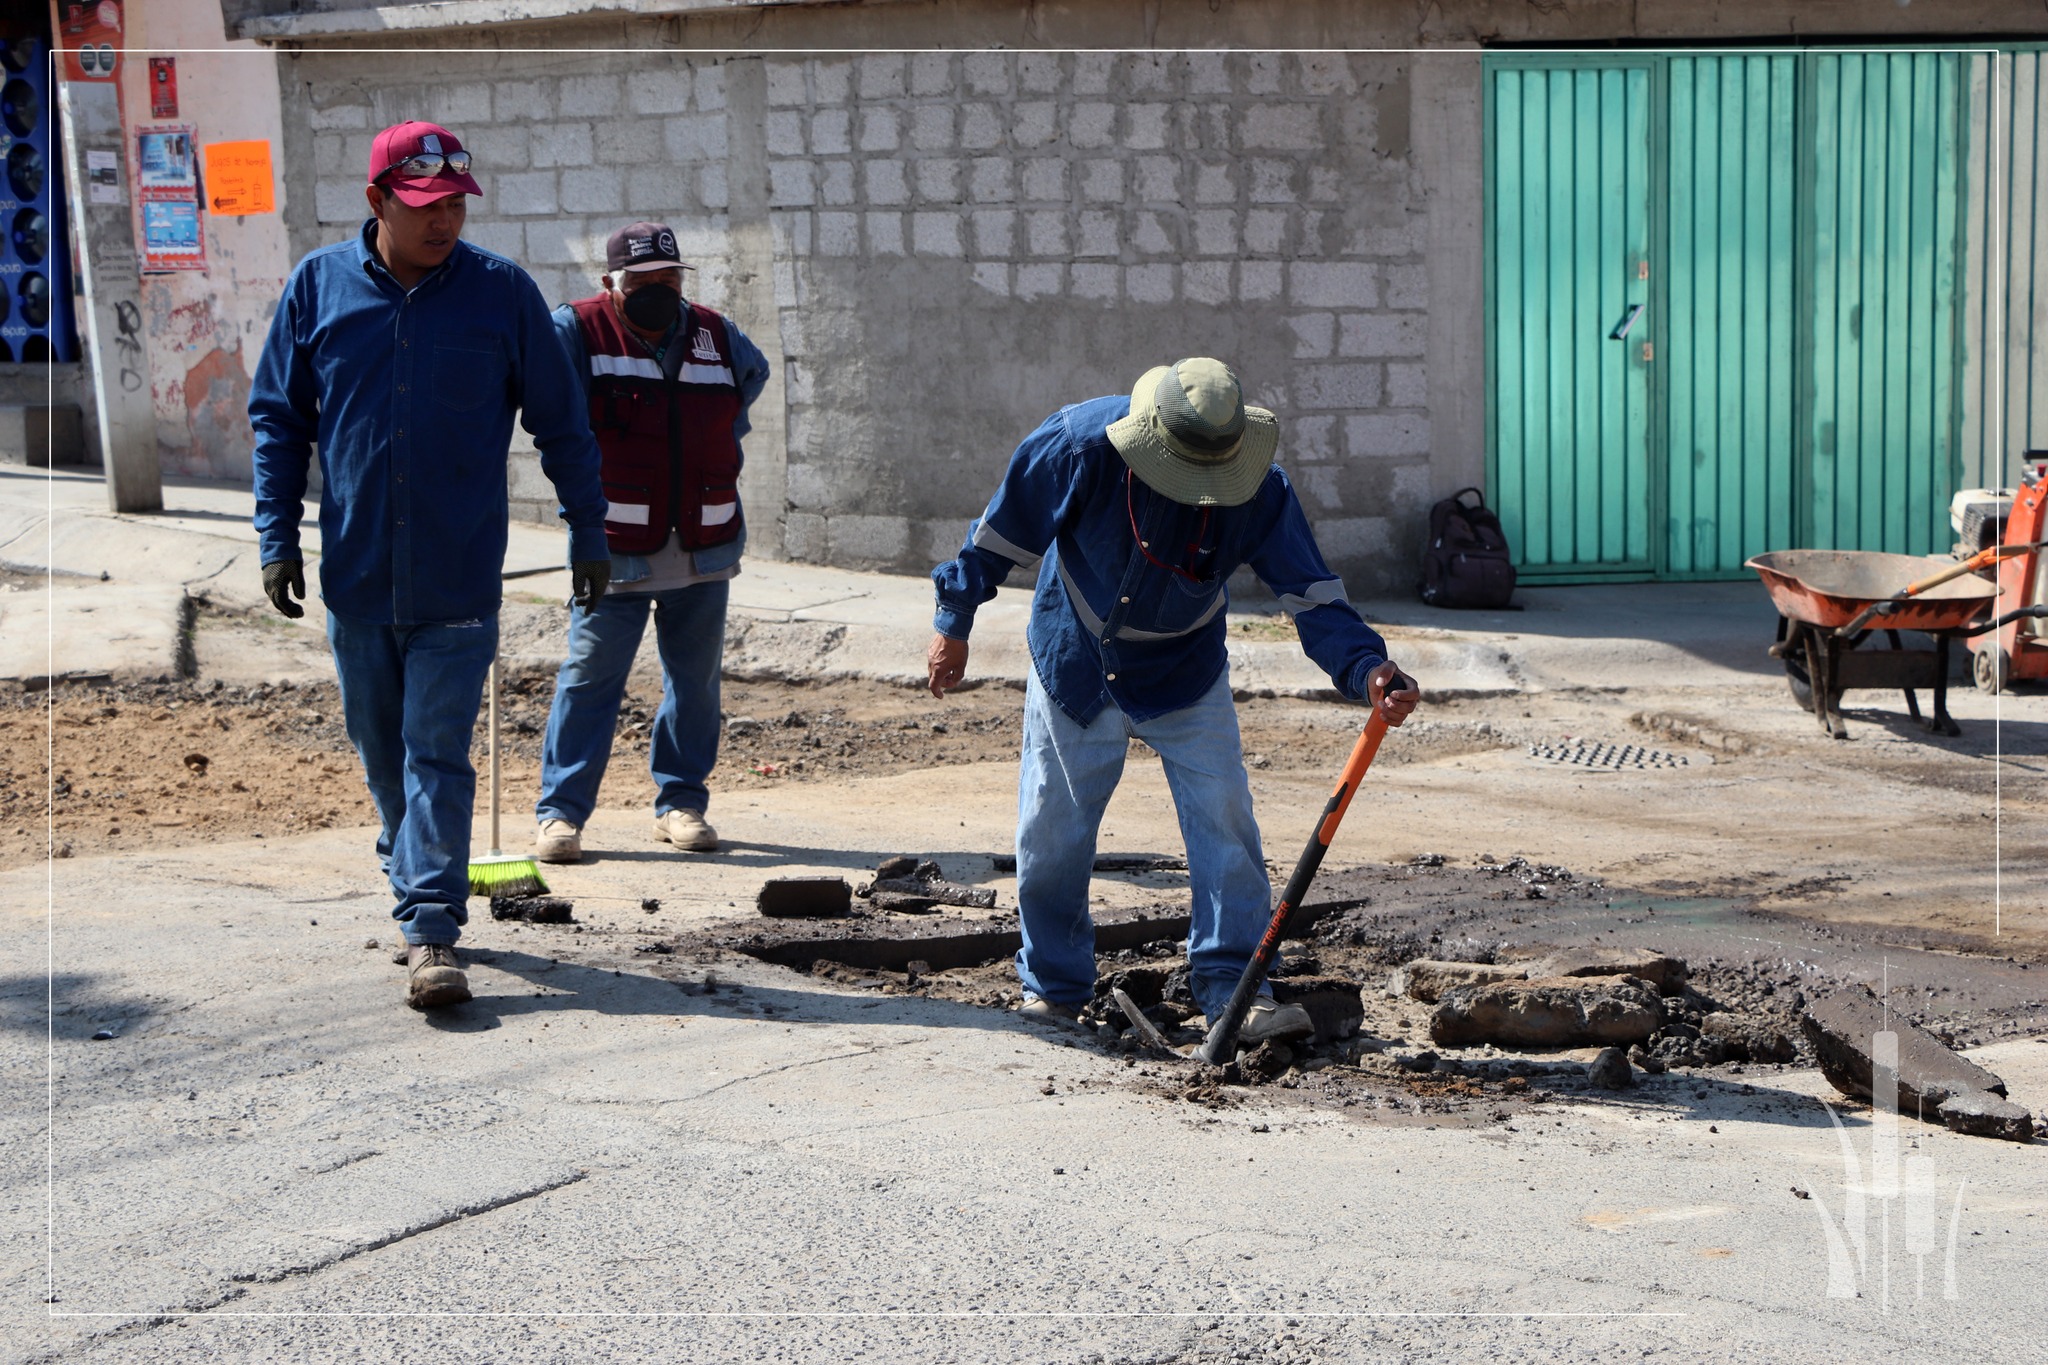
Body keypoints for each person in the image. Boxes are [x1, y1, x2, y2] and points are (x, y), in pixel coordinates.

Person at [927, 358, 1420, 1046]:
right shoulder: (1075, 447)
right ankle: (1055, 987)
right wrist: (954, 623)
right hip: (1077, 660)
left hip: (1184, 672)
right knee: (1050, 836)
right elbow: (996, 536)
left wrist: (1367, 667)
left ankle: (1234, 989)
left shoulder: (1259, 490)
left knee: (1226, 826)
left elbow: (1312, 595)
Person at [249, 120, 611, 1011]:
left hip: (457, 579)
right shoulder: (317, 289)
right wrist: (275, 535)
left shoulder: (502, 295)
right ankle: (414, 867)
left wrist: (588, 531)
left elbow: (562, 424)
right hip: (360, 581)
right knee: (384, 759)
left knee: (435, 755)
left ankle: (431, 926)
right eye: (424, 207)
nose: (444, 222)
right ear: (376, 201)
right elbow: (278, 419)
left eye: (454, 205)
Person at [531, 222, 771, 861]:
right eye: (642, 282)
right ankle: (561, 816)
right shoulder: (575, 330)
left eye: (669, 279)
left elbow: (750, 382)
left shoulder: (715, 334)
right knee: (589, 678)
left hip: (704, 541)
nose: (658, 292)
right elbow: (551, 413)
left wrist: (705, 448)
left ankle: (682, 803)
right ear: (612, 282)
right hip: (612, 546)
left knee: (695, 684)